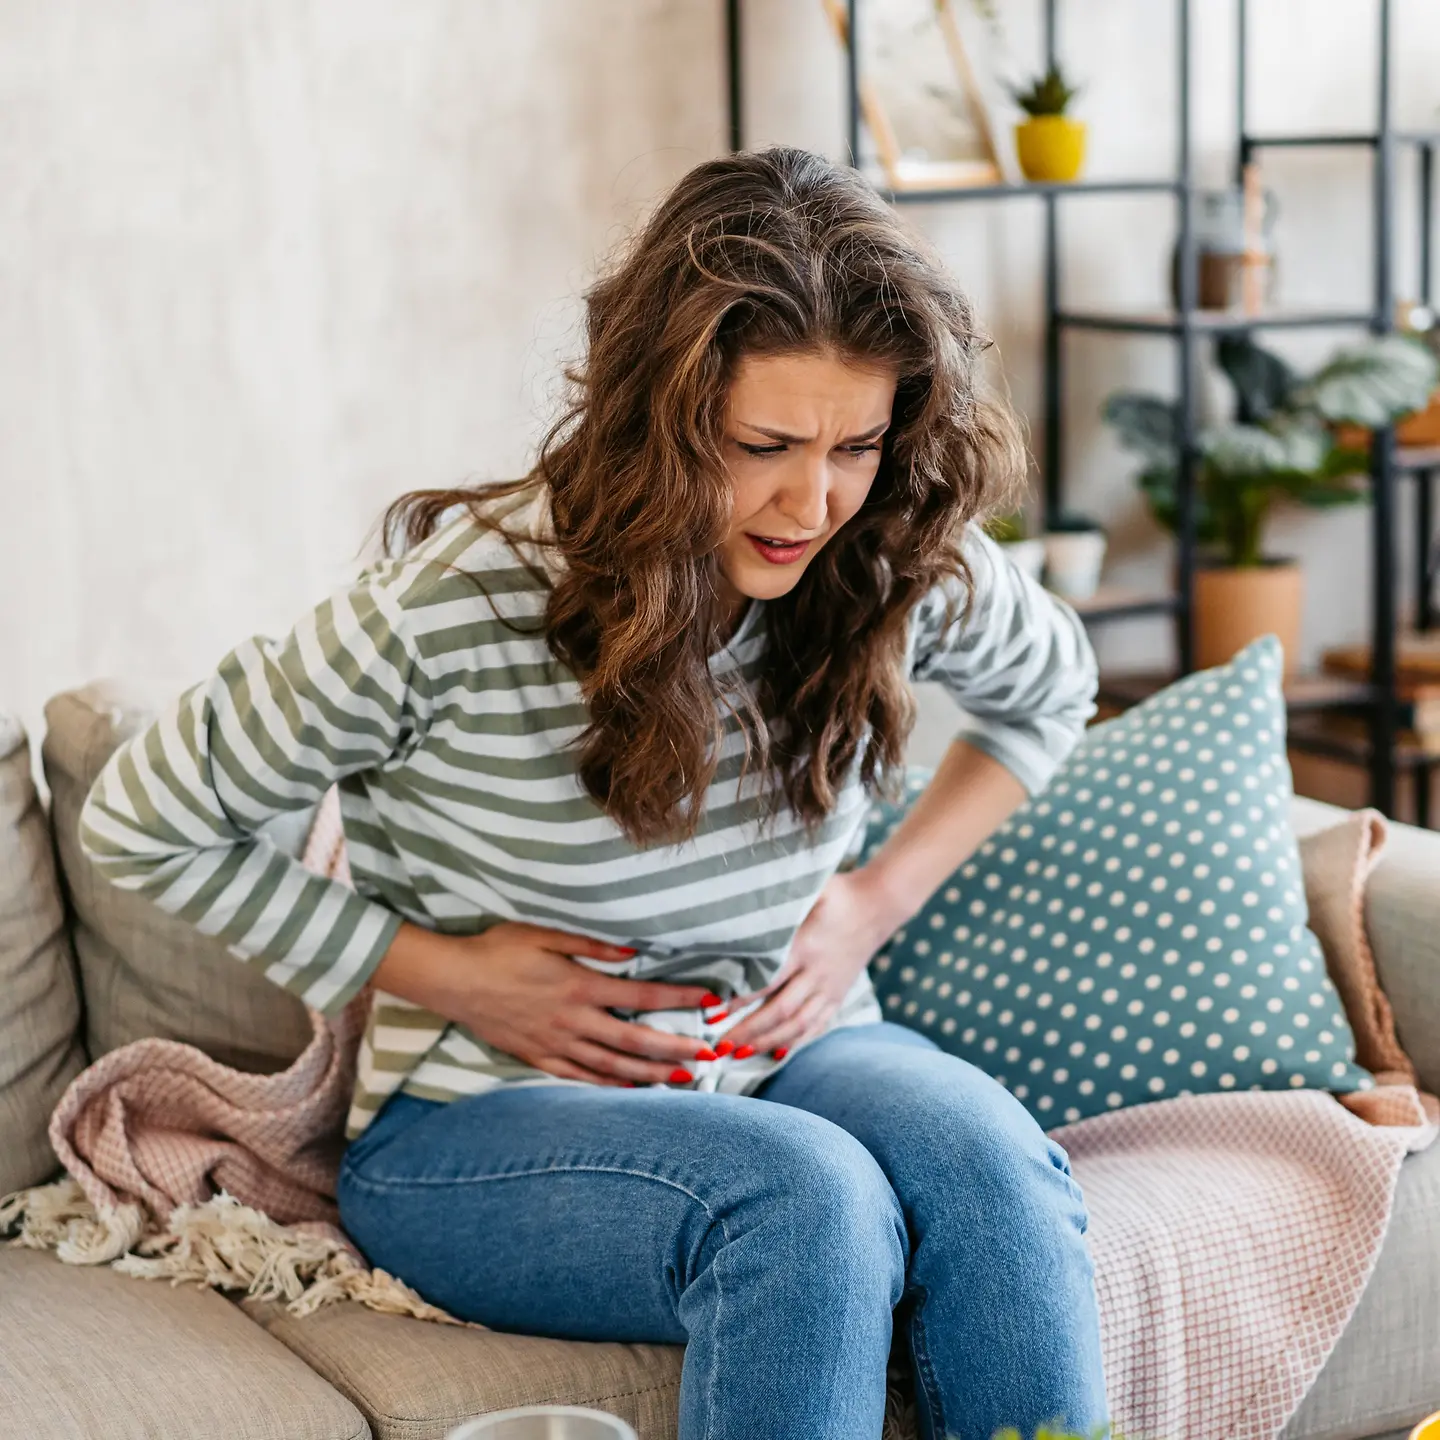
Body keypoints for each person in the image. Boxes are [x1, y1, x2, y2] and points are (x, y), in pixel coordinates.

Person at [81, 146, 1106, 1440]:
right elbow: (140, 817)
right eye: (764, 445)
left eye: (856, 441)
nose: (814, 500)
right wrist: (450, 972)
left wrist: (871, 901)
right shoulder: (456, 608)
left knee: (996, 1168)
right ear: (661, 415)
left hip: (791, 1051)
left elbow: (1052, 689)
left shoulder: (887, 541)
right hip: (475, 1129)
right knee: (806, 1201)